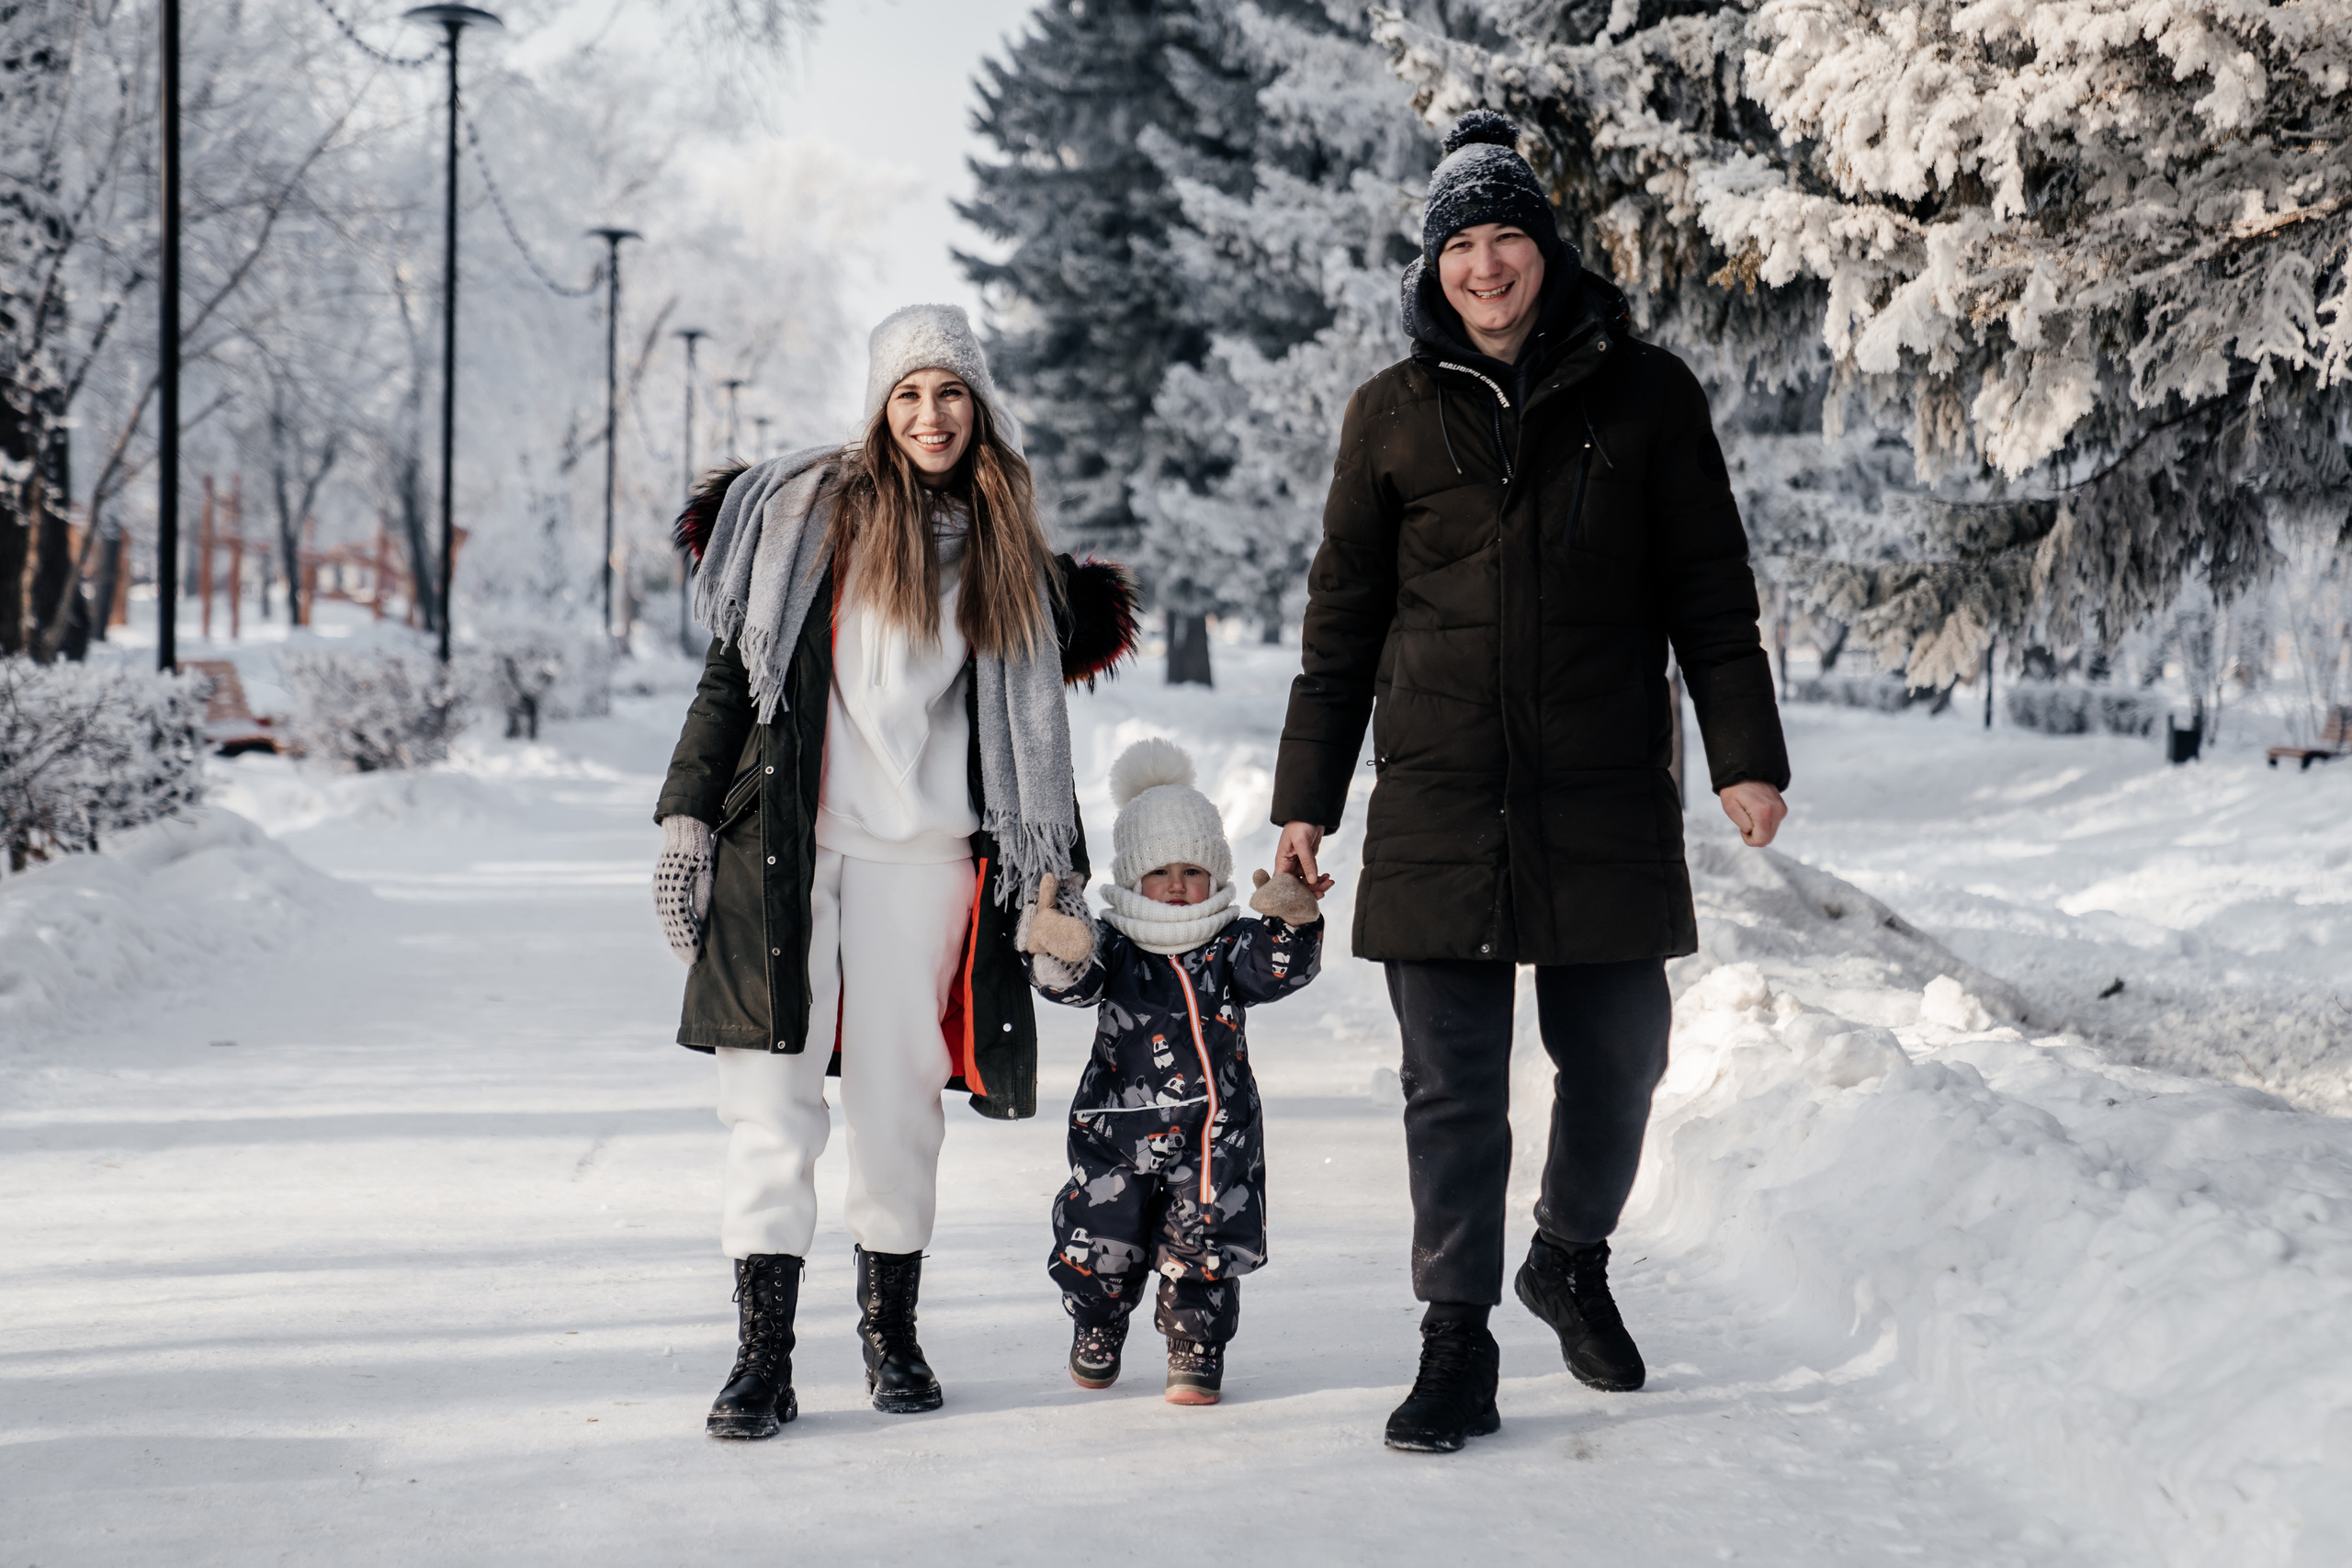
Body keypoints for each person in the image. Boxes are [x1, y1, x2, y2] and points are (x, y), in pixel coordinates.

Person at [1269, 110, 1792, 1454]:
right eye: (1461, 244)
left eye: (1507, 237)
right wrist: (1305, 799)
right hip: (1441, 793)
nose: (1486, 265)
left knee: (1619, 1055)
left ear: (1547, 251)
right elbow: (1341, 626)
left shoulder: (1649, 395)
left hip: (1601, 785)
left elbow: (1709, 592)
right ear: (1431, 265)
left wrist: (1743, 755)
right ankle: (1456, 1337)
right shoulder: (1389, 415)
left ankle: (1567, 1255)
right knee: (1450, 1084)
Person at [651, 304, 1138, 1441]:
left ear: (980, 407)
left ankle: (891, 1335)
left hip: (927, 864)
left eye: (951, 392)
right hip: (790, 851)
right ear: (879, 407)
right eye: (909, 394)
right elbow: (732, 684)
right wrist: (683, 822)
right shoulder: (801, 526)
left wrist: (1057, 885)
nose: (930, 415)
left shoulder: (1009, 555)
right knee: (767, 1105)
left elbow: (1034, 740)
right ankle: (761, 1360)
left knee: (898, 1107)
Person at [1019, 739, 1324, 1405]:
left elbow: (1277, 970)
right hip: (1117, 1130)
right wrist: (1056, 950)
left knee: (1206, 1235)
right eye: (1160, 871)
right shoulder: (1117, 945)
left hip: (1214, 1133)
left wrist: (1291, 920)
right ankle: (1098, 1322)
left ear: (1217, 875)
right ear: (1133, 879)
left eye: (1193, 869)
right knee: (1103, 1233)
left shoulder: (1230, 944)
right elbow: (1073, 981)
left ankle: (1195, 1343)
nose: (1178, 885)